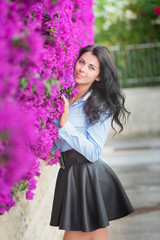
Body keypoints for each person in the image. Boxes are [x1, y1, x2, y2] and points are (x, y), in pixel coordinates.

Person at [50, 45, 134, 240]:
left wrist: (65, 125)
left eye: (91, 67)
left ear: (98, 76)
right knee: (95, 234)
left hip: (87, 174)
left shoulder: (100, 105)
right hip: (69, 173)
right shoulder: (64, 96)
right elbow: (58, 142)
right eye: (81, 62)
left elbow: (94, 151)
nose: (82, 69)